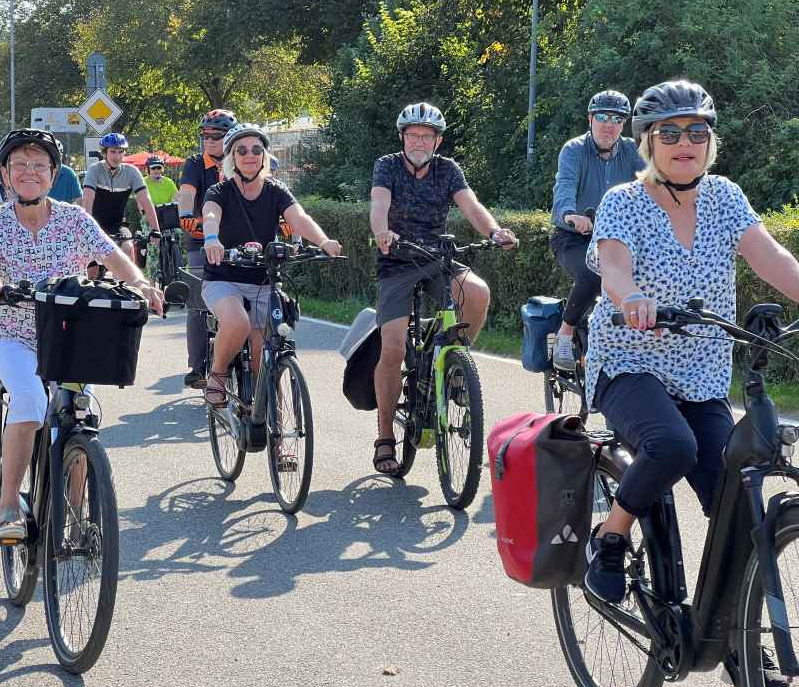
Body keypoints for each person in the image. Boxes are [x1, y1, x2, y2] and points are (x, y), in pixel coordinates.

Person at [582, 80, 799, 607]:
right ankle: (610, 535)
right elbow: (612, 263)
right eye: (671, 131)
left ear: (710, 141)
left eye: (697, 131)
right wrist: (630, 295)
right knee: (672, 446)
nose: (686, 141)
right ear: (648, 142)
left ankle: (736, 642)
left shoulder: (725, 197)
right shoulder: (624, 201)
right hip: (628, 361)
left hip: (702, 374)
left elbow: (769, 257)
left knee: (736, 503)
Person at [0, 128, 163, 542]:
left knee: (79, 413)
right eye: (19, 164)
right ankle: (8, 509)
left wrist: (142, 284)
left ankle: (74, 516)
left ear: (53, 174)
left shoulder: (74, 218)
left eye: (39, 165)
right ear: (5, 174)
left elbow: (112, 255)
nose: (29, 172)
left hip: (69, 337)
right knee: (31, 400)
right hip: (11, 332)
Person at [369, 102, 517, 475]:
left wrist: (495, 231)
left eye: (427, 135)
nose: (420, 141)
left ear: (437, 140)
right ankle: (385, 436)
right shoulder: (387, 165)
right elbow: (378, 204)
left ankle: (451, 365)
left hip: (437, 258)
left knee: (477, 292)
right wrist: (381, 232)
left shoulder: (447, 169)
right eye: (413, 134)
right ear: (403, 137)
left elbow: (471, 205)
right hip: (398, 260)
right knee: (392, 345)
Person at [201, 123, 341, 468]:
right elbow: (209, 215)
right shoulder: (220, 191)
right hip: (224, 280)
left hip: (264, 280)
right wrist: (212, 240)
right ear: (232, 158)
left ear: (265, 156)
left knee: (268, 360)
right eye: (242, 150)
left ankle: (280, 444)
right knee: (237, 321)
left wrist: (322, 241)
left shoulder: (277, 190)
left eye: (256, 150)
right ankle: (218, 375)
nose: (250, 155)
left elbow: (300, 218)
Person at [550, 90, 645, 371]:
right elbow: (565, 185)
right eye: (602, 117)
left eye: (616, 119)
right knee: (594, 271)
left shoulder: (632, 152)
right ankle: (565, 334)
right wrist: (571, 215)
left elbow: (653, 185)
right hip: (573, 238)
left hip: (618, 240)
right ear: (590, 119)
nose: (609, 124)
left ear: (623, 124)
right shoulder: (574, 150)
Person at [178, 108, 237, 388]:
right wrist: (186, 217)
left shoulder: (241, 163)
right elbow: (187, 194)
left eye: (216, 136)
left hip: (237, 241)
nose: (209, 141)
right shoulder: (194, 164)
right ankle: (198, 366)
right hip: (201, 239)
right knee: (198, 303)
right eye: (205, 135)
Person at [82, 132, 160, 259]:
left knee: (128, 248)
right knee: (92, 267)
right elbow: (87, 200)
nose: (117, 156)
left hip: (118, 225)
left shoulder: (131, 172)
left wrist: (155, 229)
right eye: (113, 152)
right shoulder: (94, 170)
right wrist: (88, 230)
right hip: (94, 224)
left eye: (120, 152)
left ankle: (127, 280)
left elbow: (145, 200)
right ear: (104, 153)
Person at [47, 140, 83, 205]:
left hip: (63, 213)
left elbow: (80, 200)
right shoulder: (39, 172)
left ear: (61, 155)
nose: (53, 158)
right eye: (51, 155)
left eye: (56, 155)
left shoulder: (69, 174)